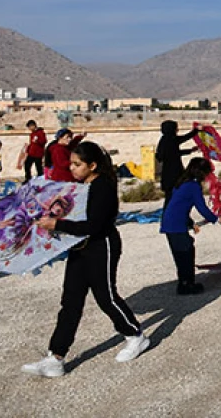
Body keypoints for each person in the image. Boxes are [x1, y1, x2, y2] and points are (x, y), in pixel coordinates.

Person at [22, 141, 149, 377]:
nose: (72, 168)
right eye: (71, 163)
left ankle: (135, 335)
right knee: (70, 300)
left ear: (92, 165)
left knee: (106, 296)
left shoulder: (103, 187)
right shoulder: (79, 187)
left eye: (77, 164)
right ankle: (56, 357)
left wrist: (58, 224)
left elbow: (94, 225)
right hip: (80, 246)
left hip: (102, 246)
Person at [161, 157, 221, 295]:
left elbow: (179, 205)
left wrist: (190, 223)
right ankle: (187, 285)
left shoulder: (182, 182)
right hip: (176, 224)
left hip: (170, 222)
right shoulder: (193, 186)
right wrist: (216, 219)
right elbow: (201, 207)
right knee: (186, 254)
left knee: (181, 253)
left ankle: (184, 283)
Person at [156, 120, 199, 209]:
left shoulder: (163, 141)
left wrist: (190, 150)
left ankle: (168, 217)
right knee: (180, 195)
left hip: (166, 173)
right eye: (176, 128)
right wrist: (196, 130)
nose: (177, 130)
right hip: (176, 173)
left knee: (169, 197)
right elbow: (186, 137)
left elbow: (173, 153)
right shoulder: (172, 139)